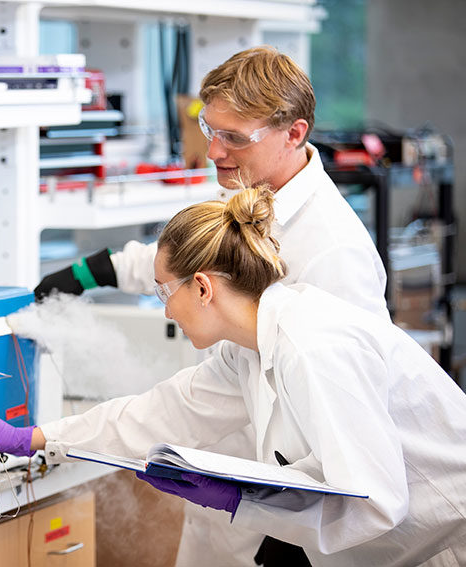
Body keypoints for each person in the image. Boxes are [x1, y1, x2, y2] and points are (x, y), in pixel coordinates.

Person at [0, 188, 466, 567]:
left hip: (443, 543)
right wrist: (32, 438)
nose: (166, 312)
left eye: (166, 293)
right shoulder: (251, 348)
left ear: (204, 288)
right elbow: (163, 411)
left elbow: (376, 501)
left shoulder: (313, 344)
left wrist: (245, 499)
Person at [37, 45, 390, 565]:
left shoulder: (333, 253)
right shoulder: (254, 188)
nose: (214, 151)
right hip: (236, 484)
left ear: (294, 133)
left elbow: (356, 438)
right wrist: (101, 269)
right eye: (209, 130)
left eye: (233, 137)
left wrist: (293, 530)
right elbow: (194, 254)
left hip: (303, 519)